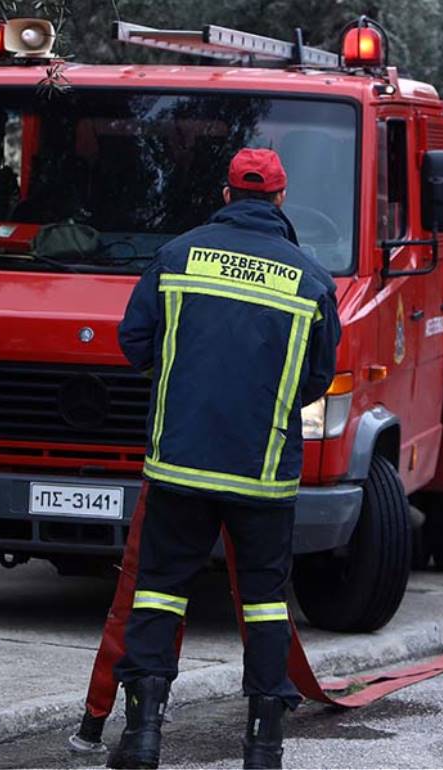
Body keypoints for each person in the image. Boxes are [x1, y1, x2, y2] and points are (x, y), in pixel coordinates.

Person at [110, 148, 341, 769]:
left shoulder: (177, 256)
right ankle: (264, 746)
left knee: (159, 592)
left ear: (225, 193)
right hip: (263, 473)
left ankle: (143, 739)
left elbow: (133, 342)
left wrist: (186, 377)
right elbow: (317, 376)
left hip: (179, 462)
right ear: (281, 199)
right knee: (265, 602)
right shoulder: (312, 279)